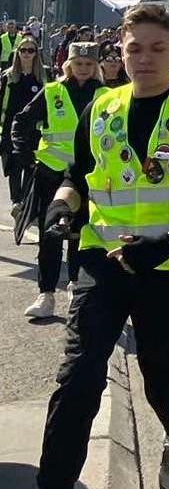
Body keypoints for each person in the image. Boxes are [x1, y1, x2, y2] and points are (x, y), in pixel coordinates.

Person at [36, 3, 169, 489]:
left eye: (157, 49)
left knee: (160, 377)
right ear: (119, 52)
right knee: (78, 377)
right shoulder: (100, 108)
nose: (144, 59)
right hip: (102, 263)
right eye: (133, 49)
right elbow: (75, 177)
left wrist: (168, 243)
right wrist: (62, 207)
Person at [12, 43, 101, 319]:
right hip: (50, 174)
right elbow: (21, 121)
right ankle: (46, 294)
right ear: (69, 65)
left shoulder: (106, 95)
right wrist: (25, 155)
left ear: (95, 66)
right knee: (50, 236)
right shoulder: (52, 92)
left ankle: (76, 286)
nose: (83, 69)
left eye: (88, 64)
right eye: (78, 64)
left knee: (80, 235)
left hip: (87, 177)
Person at [2, 36, 47, 211]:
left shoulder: (43, 76)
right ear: (17, 53)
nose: (26, 54)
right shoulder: (9, 77)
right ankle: (16, 201)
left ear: (36, 54)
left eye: (31, 50)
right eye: (23, 50)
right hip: (10, 129)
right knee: (13, 166)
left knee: (30, 166)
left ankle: (26, 204)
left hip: (34, 130)